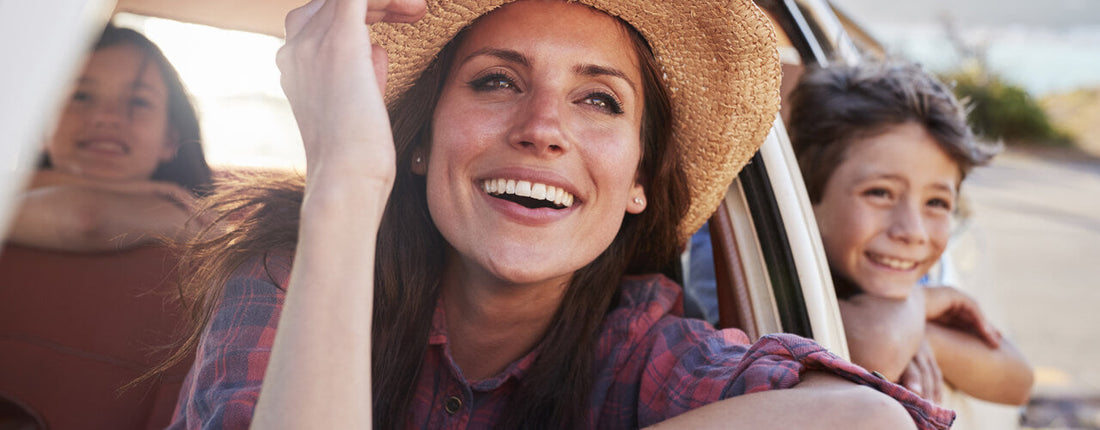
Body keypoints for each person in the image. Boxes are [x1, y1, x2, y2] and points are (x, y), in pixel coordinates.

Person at [164, 0, 954, 428]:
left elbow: (867, 422)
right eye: (496, 82)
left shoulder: (641, 350)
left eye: (598, 100)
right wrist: (342, 178)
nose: (543, 128)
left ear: (640, 177)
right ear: (416, 139)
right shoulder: (287, 278)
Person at [788, 60, 1034, 406]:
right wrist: (919, 304)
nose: (913, 232)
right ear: (807, 194)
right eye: (880, 193)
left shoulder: (909, 269)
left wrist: (919, 332)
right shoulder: (768, 267)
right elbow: (878, 354)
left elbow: (1017, 380)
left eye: (936, 201)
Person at [6, 24, 212, 252]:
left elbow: (86, 218)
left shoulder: (185, 214)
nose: (106, 116)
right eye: (81, 96)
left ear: (170, 139)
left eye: (138, 101)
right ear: (41, 127)